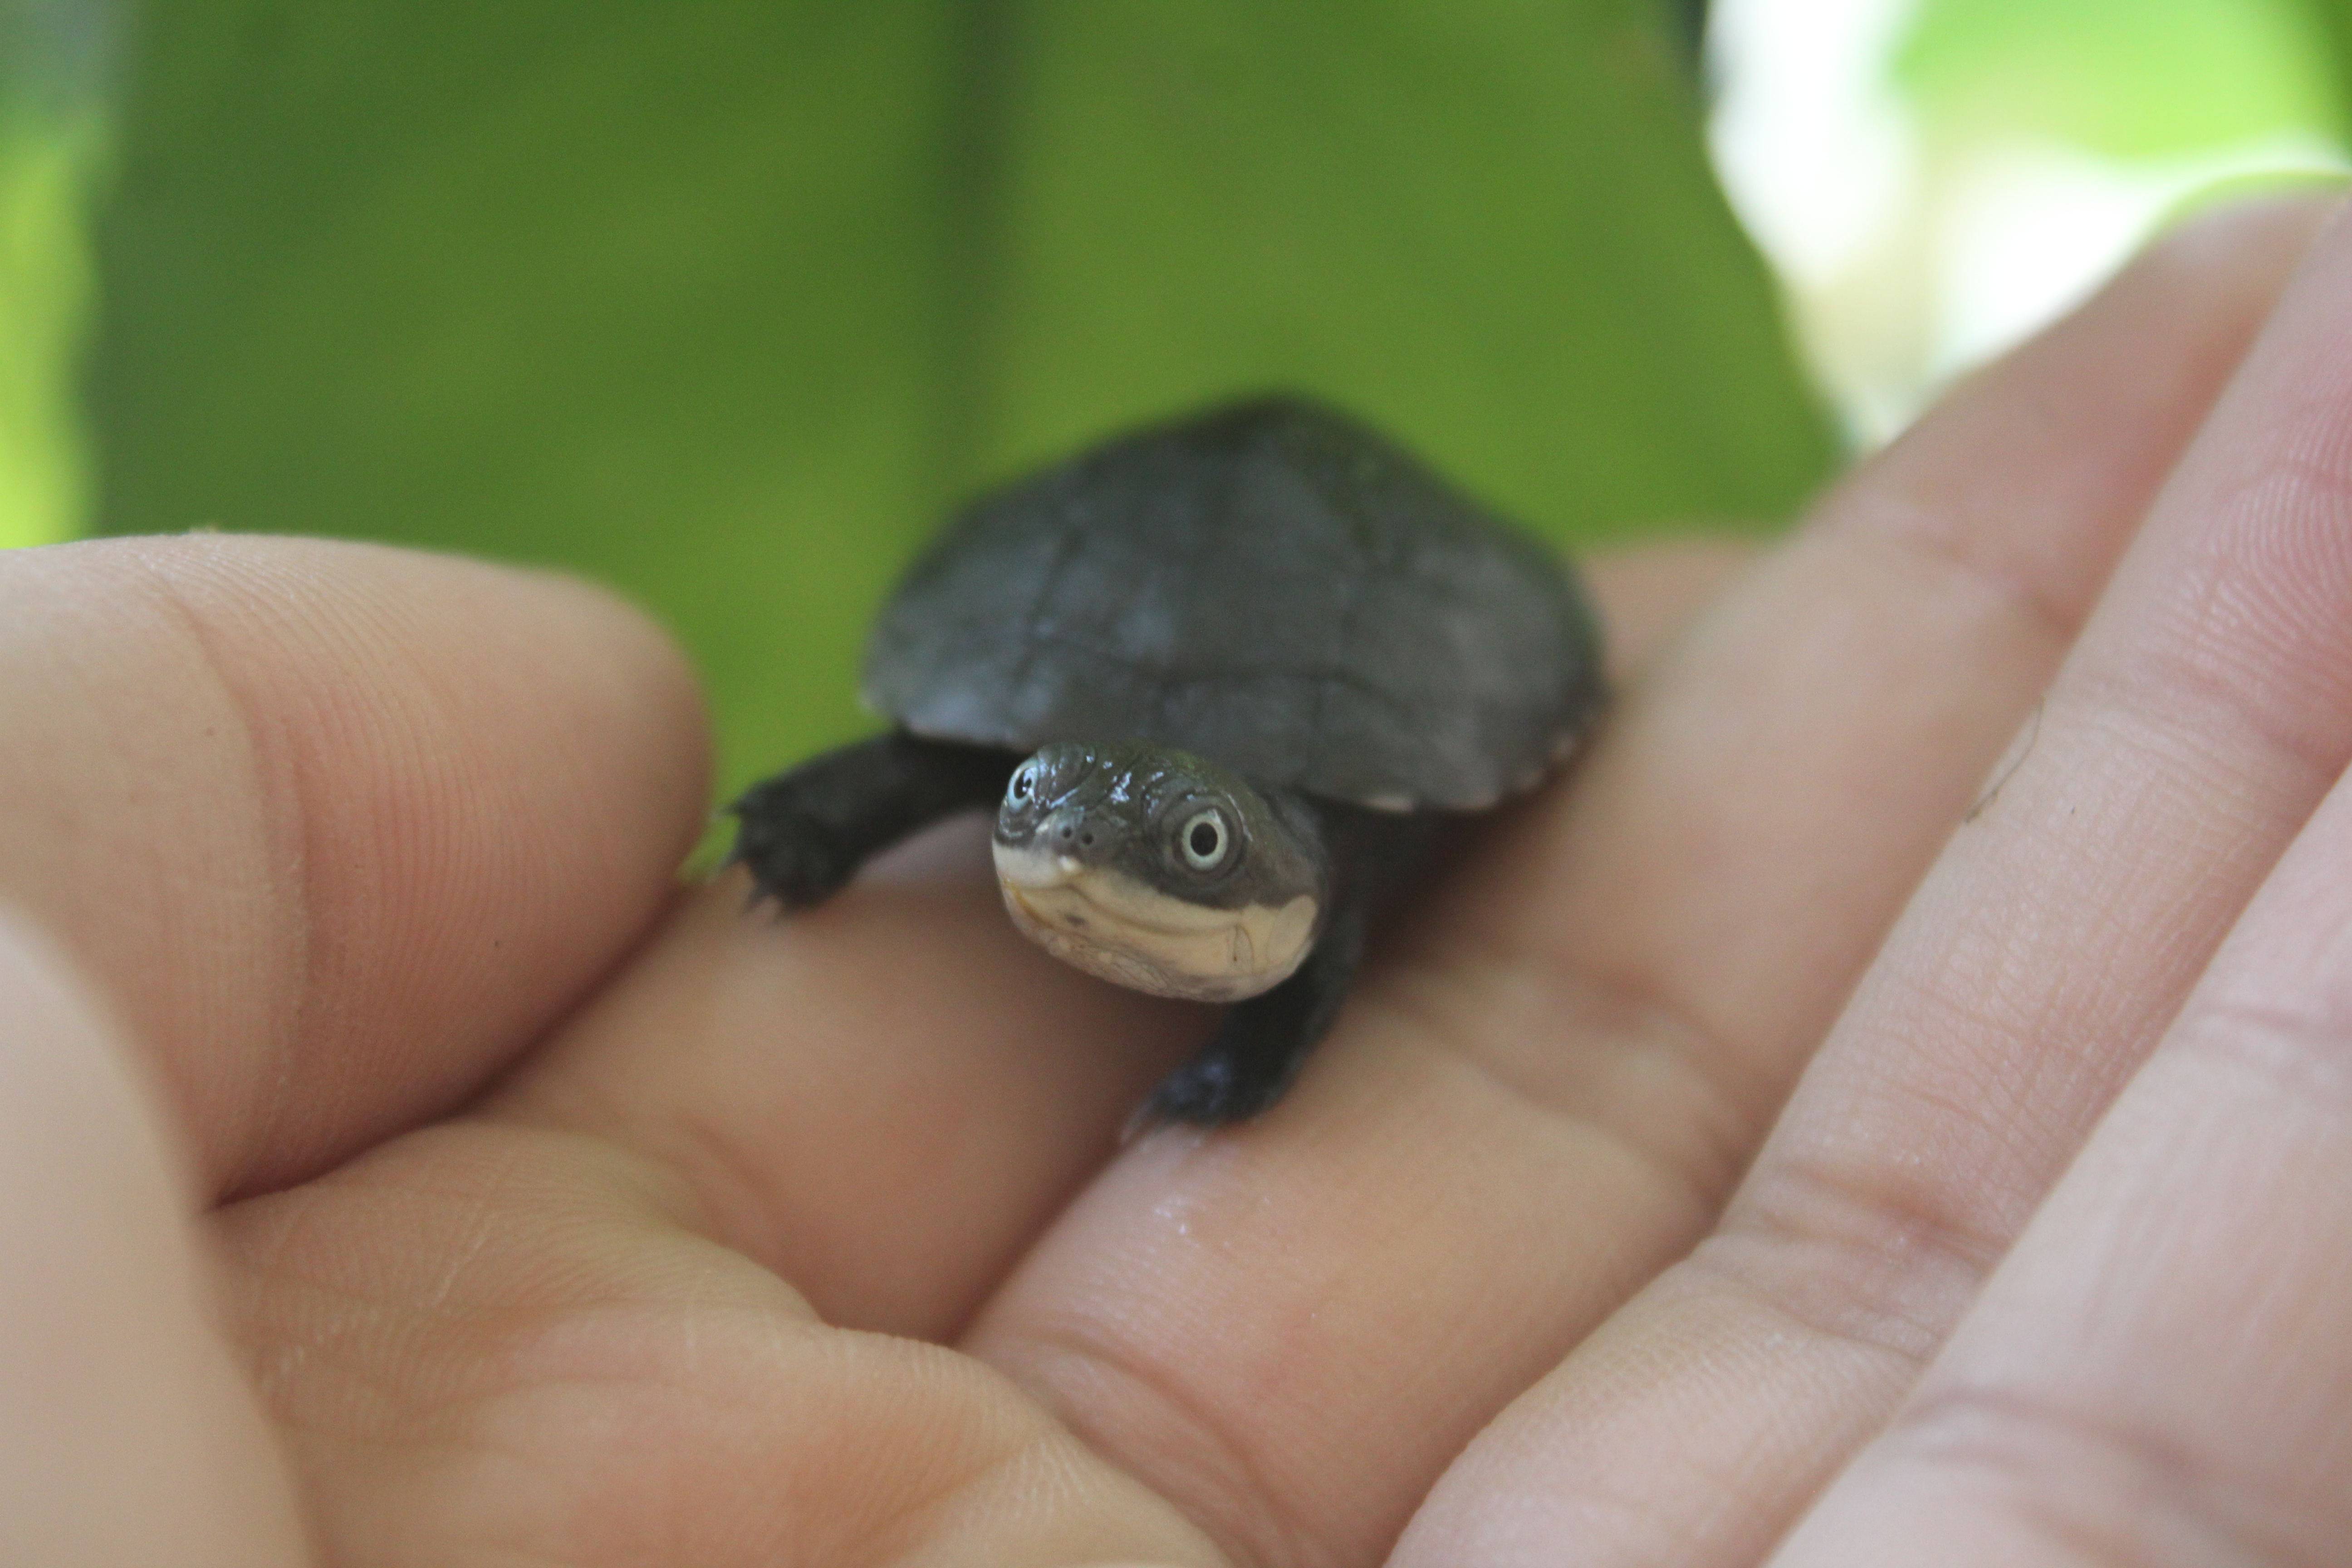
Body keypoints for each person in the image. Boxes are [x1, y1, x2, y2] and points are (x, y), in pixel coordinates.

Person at [3, 192, 2348, 1568]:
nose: (1072, 844)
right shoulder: (1023, 788)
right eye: (1050, 819)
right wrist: (839, 823)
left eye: (1176, 854)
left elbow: (1264, 891)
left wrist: (1261, 1041)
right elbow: (979, 766)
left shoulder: (1298, 873)